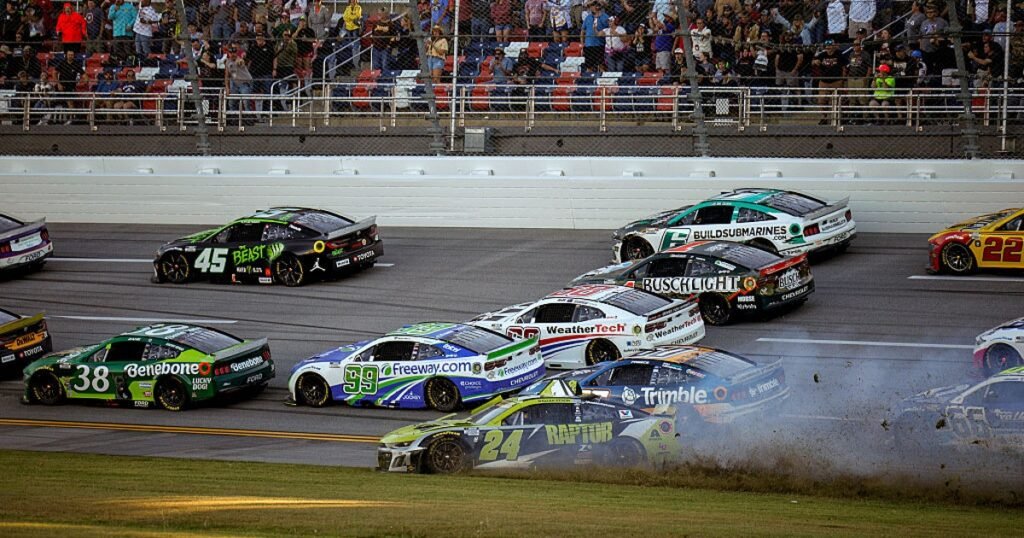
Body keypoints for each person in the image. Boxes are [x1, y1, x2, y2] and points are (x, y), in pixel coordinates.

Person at [247, 32, 275, 113]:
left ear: (264, 38)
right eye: (257, 37)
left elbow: (274, 58)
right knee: (252, 92)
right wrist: (248, 72)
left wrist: (274, 69)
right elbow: (249, 60)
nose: (259, 39)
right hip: (254, 73)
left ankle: (266, 112)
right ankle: (252, 112)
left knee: (267, 92)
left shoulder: (269, 47)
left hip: (266, 73)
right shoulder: (253, 47)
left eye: (260, 37)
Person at [225, 46, 253, 116]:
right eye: (231, 53)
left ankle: (249, 118)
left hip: (245, 83)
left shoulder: (239, 59)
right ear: (228, 53)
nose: (232, 54)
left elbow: (241, 62)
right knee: (231, 103)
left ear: (236, 53)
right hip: (235, 84)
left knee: (246, 103)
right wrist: (227, 88)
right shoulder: (228, 62)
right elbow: (226, 76)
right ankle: (234, 118)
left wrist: (241, 61)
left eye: (234, 52)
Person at [581, 1, 609, 73]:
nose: (591, 8)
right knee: (589, 66)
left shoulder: (605, 16)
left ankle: (603, 78)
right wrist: (582, 43)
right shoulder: (588, 17)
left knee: (601, 66)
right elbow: (583, 31)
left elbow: (609, 29)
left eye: (593, 6)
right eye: (591, 6)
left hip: (600, 44)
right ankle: (590, 78)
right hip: (589, 44)